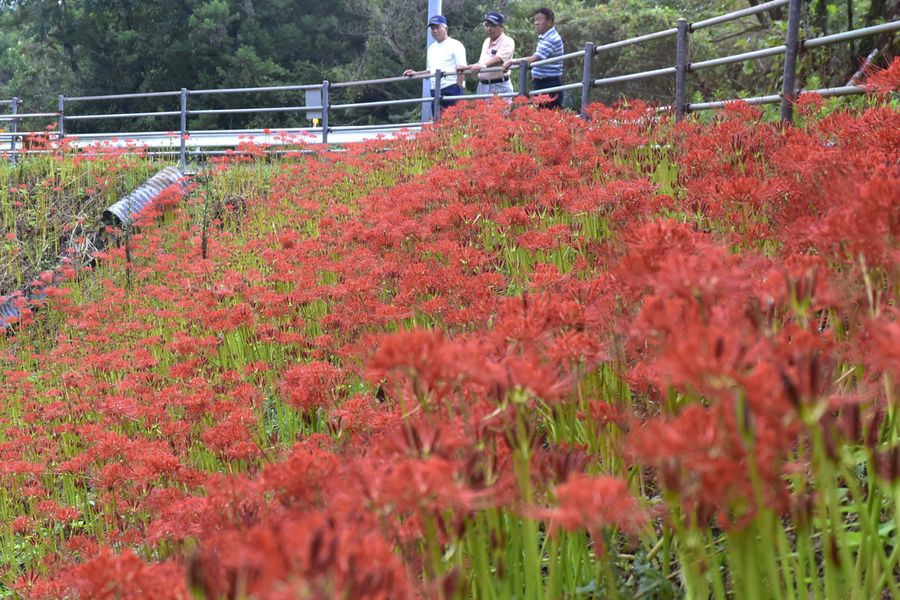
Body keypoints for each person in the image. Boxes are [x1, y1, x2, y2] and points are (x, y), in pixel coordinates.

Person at [503, 7, 565, 109]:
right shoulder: (546, 36)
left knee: (550, 115)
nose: (536, 23)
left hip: (549, 84)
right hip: (543, 83)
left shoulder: (551, 38)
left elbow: (535, 58)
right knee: (543, 115)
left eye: (540, 19)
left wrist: (512, 61)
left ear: (549, 21)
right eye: (535, 20)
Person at [403, 15, 467, 108]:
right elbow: (430, 71)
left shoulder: (456, 45)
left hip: (451, 88)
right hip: (435, 90)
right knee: (437, 121)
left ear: (446, 28)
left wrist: (458, 88)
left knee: (455, 120)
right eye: (433, 28)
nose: (435, 31)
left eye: (437, 27)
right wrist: (415, 74)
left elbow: (462, 69)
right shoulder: (432, 48)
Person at [459, 11, 515, 99]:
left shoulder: (508, 41)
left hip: (499, 86)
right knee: (480, 113)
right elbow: (481, 63)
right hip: (482, 86)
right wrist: (465, 68)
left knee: (499, 112)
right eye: (487, 25)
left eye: (493, 25)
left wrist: (481, 65)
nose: (489, 28)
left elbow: (498, 59)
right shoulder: (486, 41)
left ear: (501, 27)